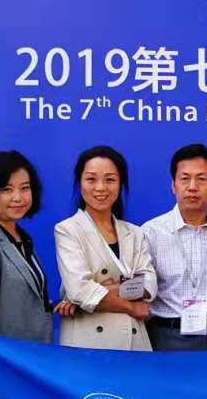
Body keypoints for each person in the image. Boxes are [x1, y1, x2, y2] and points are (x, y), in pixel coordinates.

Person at [53, 145, 156, 350]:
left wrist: (94, 294)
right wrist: (131, 307)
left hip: (135, 342)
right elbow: (79, 289)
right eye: (91, 179)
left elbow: (149, 284)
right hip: (90, 343)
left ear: (120, 184)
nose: (100, 187)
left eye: (110, 180)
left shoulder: (135, 232)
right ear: (80, 183)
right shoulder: (67, 230)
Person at [0, 150, 71, 343]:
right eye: (7, 189)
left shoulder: (22, 237)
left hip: (34, 352)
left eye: (25, 188)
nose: (18, 197)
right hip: (6, 357)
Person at [140, 144, 207, 351]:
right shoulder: (151, 232)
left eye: (201, 179)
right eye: (184, 179)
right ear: (173, 185)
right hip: (165, 336)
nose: (192, 187)